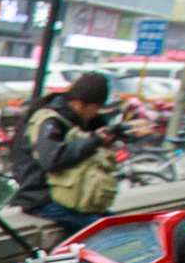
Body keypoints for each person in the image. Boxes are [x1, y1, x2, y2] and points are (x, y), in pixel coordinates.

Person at [11, 70, 119, 236]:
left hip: (70, 197)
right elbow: (52, 159)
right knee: (108, 234)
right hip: (42, 198)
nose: (96, 113)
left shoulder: (79, 119)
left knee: (121, 226)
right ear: (82, 103)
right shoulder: (49, 120)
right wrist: (94, 140)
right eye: (96, 108)